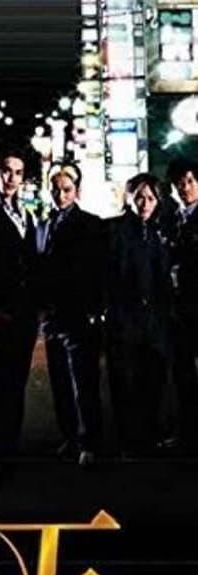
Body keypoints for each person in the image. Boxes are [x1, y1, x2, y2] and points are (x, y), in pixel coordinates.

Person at [0, 143, 39, 487]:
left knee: (15, 386)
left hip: (25, 316)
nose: (12, 178)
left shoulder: (23, 213)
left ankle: (9, 453)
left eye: (18, 173)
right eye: (6, 171)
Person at [39, 162, 105, 467]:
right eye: (56, 189)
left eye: (66, 189)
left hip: (79, 315)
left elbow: (97, 271)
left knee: (84, 383)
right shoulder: (45, 224)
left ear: (76, 191)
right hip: (53, 316)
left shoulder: (91, 224)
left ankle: (89, 440)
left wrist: (94, 309)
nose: (61, 195)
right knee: (60, 382)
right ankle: (70, 435)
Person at [105, 173, 172, 456]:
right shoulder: (115, 230)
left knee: (152, 379)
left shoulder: (160, 231)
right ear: (129, 198)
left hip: (154, 321)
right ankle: (127, 440)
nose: (145, 204)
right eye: (139, 198)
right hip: (124, 318)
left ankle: (149, 435)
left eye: (150, 198)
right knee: (124, 382)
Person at [166, 159, 198, 451]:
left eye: (190, 181)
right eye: (180, 182)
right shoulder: (174, 218)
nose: (185, 187)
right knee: (182, 374)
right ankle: (186, 433)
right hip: (179, 310)